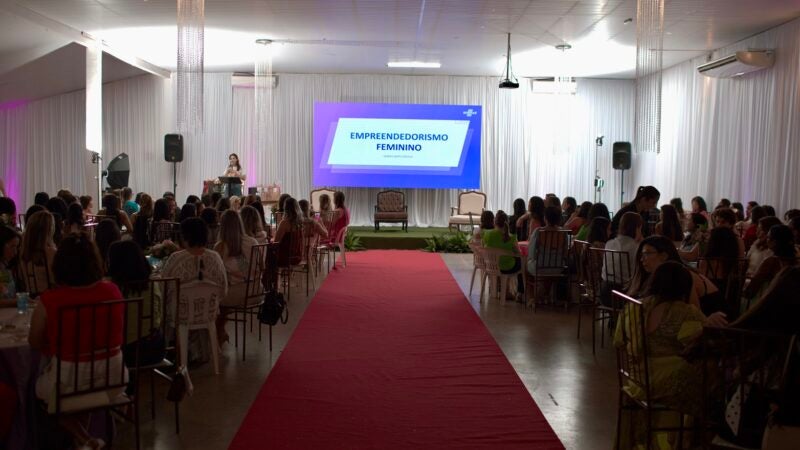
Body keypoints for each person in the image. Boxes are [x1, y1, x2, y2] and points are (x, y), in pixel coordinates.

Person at [28, 232, 125, 450]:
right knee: (75, 395)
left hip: (68, 383)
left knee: (40, 392)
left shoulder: (51, 300)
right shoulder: (113, 291)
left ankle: (83, 439)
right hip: (113, 379)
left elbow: (34, 342)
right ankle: (84, 439)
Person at [614, 261, 708, 450]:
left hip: (637, 378)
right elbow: (696, 343)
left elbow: (618, 342)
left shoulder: (634, 307)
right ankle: (687, 440)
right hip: (666, 384)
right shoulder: (685, 313)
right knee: (708, 380)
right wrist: (709, 324)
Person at [628, 236, 727, 323]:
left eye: (647, 253)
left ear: (664, 256)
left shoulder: (683, 275)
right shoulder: (659, 276)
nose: (642, 259)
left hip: (717, 324)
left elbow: (694, 313)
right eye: (641, 255)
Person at [106, 240, 165, 369]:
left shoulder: (112, 290)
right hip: (154, 348)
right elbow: (159, 316)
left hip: (123, 352)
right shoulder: (151, 285)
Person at [214, 210, 258, 344]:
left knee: (214, 298)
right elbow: (260, 266)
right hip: (257, 290)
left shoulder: (221, 246)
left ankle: (217, 333)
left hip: (239, 292)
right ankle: (220, 332)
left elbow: (217, 275)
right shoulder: (252, 241)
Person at [744, 225, 798, 300]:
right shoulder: (795, 260)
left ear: (774, 242)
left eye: (768, 237)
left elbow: (752, 288)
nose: (767, 239)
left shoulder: (771, 261)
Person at [526, 206, 568, 303]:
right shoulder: (564, 232)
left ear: (545, 218)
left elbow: (531, 252)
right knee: (549, 274)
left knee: (526, 267)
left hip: (540, 266)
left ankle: (532, 297)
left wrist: (532, 259)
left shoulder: (539, 231)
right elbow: (565, 252)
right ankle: (545, 295)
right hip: (558, 267)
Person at [483, 210, 521, 300]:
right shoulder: (512, 237)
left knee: (501, 263)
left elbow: (484, 246)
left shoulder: (487, 234)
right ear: (507, 223)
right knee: (518, 262)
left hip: (491, 266)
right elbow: (518, 253)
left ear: (495, 222)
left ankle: (497, 287)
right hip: (508, 267)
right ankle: (508, 291)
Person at [19, 210, 57, 296]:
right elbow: (55, 280)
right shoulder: (51, 253)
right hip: (49, 297)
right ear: (50, 230)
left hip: (30, 296)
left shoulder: (23, 252)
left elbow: (21, 278)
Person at [603, 212, 642, 289]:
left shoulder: (609, 243)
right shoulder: (636, 247)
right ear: (637, 228)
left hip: (605, 286)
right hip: (624, 288)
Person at [0, 226, 20, 307]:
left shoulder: (5, 267)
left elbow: (8, 295)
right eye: (12, 246)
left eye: (16, 247)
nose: (15, 252)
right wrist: (20, 300)